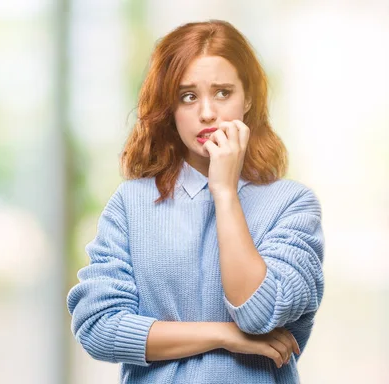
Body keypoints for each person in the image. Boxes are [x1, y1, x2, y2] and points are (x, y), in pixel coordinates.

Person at [66, 19, 325, 383]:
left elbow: (259, 314)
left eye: (222, 92)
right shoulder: (131, 204)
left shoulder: (291, 205)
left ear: (248, 98)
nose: (207, 112)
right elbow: (98, 328)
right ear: (169, 109)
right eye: (188, 96)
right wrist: (224, 336)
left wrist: (225, 192)